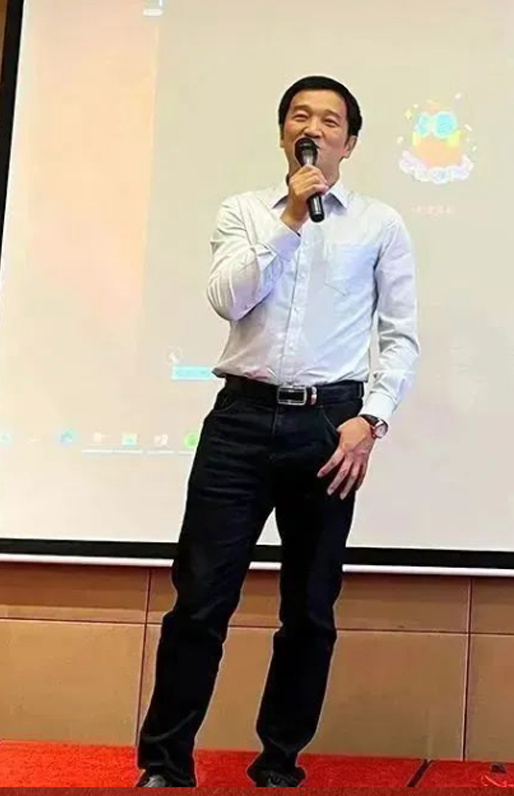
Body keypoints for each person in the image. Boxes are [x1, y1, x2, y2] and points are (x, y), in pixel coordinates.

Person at [136, 75, 419, 788]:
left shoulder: (380, 224)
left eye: (330, 120)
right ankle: (165, 763)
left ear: (350, 142)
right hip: (240, 420)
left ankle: (279, 760)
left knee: (310, 608)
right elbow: (228, 298)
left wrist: (371, 419)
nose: (314, 128)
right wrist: (290, 217)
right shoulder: (245, 212)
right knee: (200, 600)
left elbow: (399, 335)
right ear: (284, 133)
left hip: (330, 424)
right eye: (301, 116)